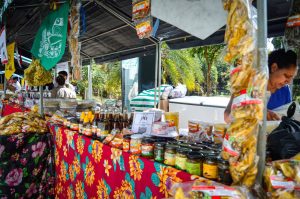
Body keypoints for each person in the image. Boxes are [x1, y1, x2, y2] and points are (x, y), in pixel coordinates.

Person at [224, 49, 298, 123]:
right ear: (274, 68)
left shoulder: (285, 91)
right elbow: (227, 117)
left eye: (292, 78)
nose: (289, 81)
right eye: (286, 76)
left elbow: (287, 117)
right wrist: (257, 112)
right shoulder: (249, 84)